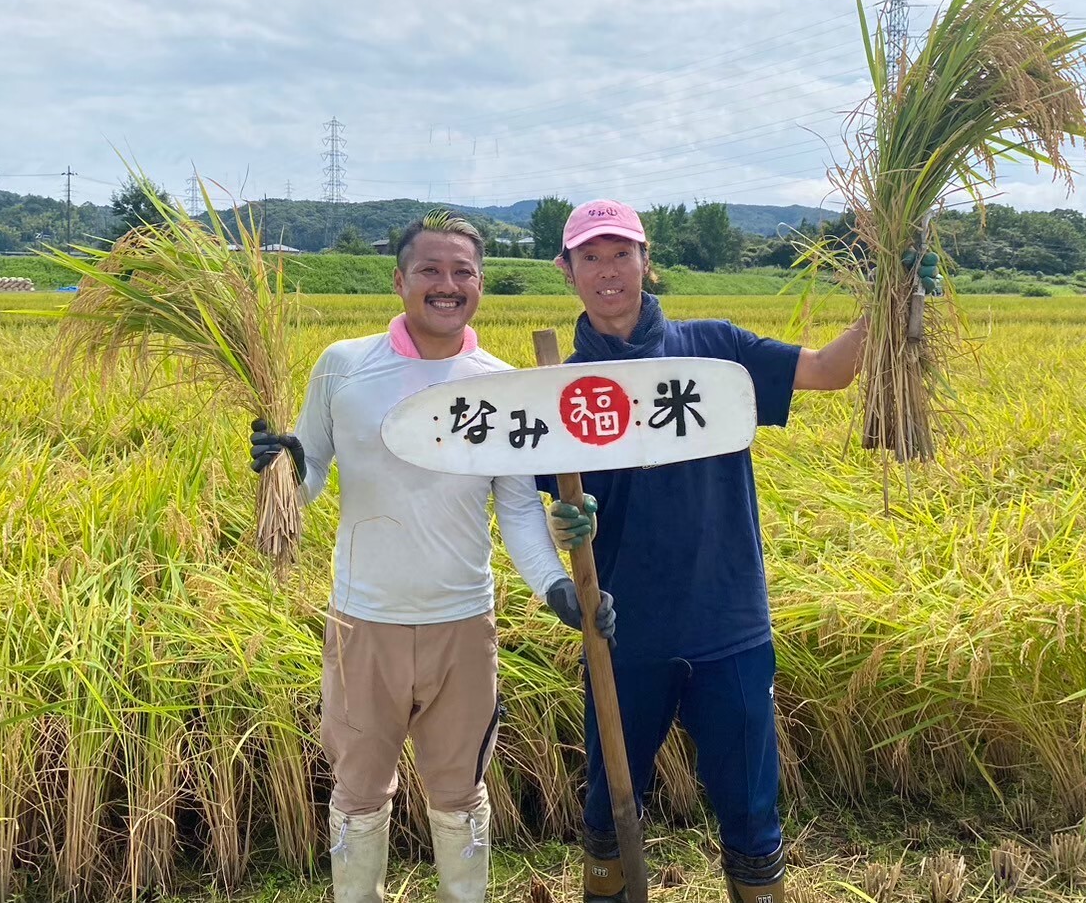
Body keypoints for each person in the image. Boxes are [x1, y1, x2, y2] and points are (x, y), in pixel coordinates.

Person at [250, 209, 615, 903]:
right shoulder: (344, 366)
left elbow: (517, 509)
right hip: (363, 623)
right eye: (429, 270)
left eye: (462, 272)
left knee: (459, 792)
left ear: (480, 284)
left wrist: (557, 589)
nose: (446, 285)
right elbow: (313, 472)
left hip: (463, 626)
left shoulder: (499, 385)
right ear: (399, 280)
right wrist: (283, 468)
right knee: (358, 794)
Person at [542, 199, 896, 903]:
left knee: (751, 808)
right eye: (591, 257)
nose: (608, 271)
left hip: (727, 621)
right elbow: (529, 500)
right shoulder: (558, 388)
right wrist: (563, 528)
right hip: (623, 629)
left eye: (622, 254)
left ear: (646, 261)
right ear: (566, 270)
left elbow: (828, 371)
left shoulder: (714, 351)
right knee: (609, 808)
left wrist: (890, 296)